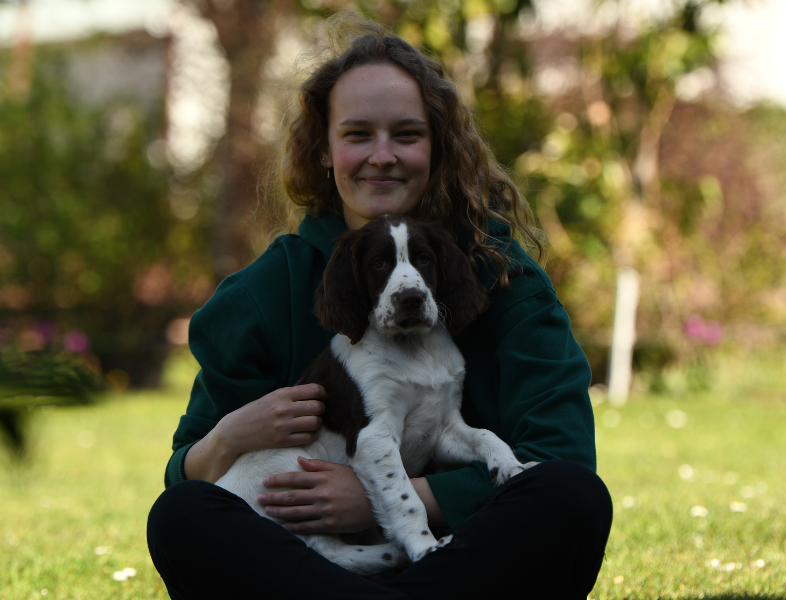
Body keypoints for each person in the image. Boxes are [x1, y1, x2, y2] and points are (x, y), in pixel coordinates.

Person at [147, 14, 612, 600]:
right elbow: (187, 475)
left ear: (438, 147)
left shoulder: (506, 280)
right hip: (315, 566)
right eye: (358, 134)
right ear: (323, 150)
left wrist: (395, 497)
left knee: (571, 496)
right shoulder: (262, 293)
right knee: (181, 516)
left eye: (408, 134)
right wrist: (226, 437)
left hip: (461, 557)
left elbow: (562, 454)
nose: (383, 155)